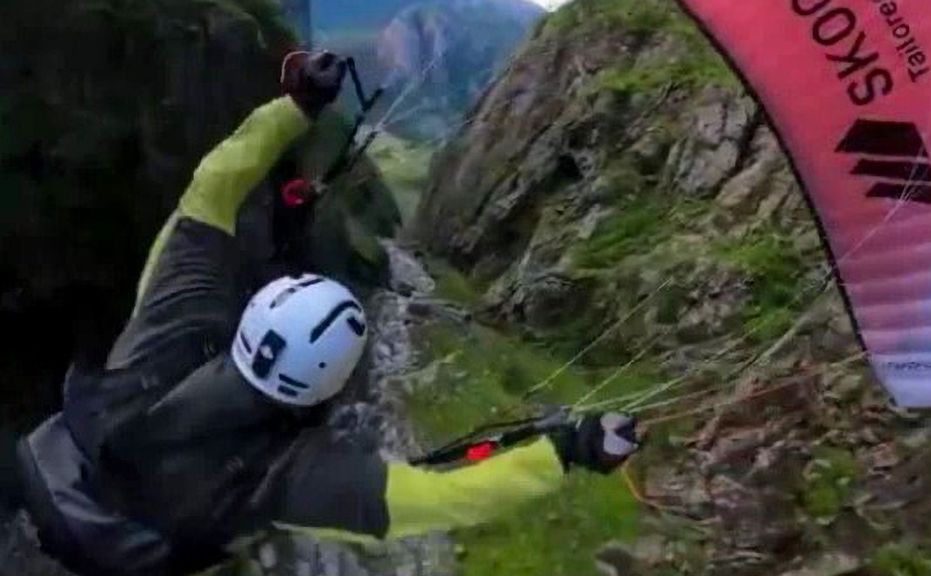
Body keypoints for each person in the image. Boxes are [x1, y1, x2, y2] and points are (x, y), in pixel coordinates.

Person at [11, 51, 641, 576]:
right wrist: (568, 451)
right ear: (330, 384)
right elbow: (448, 496)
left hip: (38, 489)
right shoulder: (289, 475)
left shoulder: (177, 317)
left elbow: (213, 187)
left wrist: (296, 106)